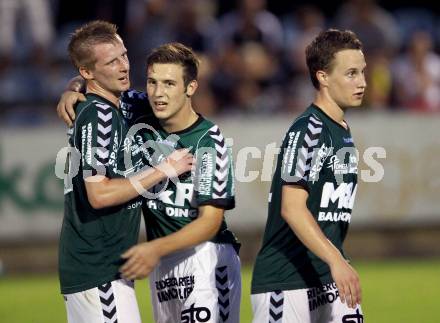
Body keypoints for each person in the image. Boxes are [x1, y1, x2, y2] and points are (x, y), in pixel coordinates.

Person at [57, 42, 241, 323]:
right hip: (161, 266)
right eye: (152, 82)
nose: (158, 93)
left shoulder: (208, 142)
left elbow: (210, 222)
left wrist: (154, 249)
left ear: (190, 88)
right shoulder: (139, 111)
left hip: (205, 259)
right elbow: (96, 84)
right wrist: (72, 89)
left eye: (169, 83)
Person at [59, 21, 193, 323]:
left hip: (107, 267)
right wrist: (163, 170)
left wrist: (72, 86)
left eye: (124, 55)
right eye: (111, 61)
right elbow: (99, 193)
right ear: (88, 72)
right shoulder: (97, 116)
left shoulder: (122, 104)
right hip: (97, 267)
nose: (123, 66)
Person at [251, 29, 366, 322]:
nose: (362, 82)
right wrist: (336, 260)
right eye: (351, 73)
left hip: (326, 274)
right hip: (285, 283)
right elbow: (291, 207)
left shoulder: (341, 130)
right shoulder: (310, 130)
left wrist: (335, 261)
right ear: (323, 77)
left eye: (362, 72)